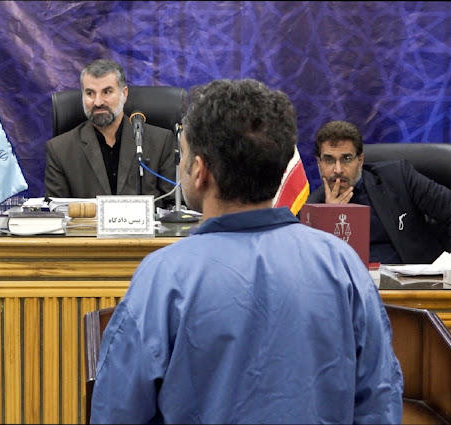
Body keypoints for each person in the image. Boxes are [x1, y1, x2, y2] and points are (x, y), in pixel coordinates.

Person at [90, 79, 403, 424]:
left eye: (184, 153)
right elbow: (379, 402)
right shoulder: (343, 264)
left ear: (200, 170)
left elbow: (118, 411)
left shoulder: (163, 276)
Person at [306, 120, 451, 264]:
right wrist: (328, 220)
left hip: (412, 292)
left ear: (360, 160)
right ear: (318, 163)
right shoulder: (311, 209)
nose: (338, 169)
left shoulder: (398, 178)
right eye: (329, 160)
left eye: (347, 159)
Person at [44, 59, 176, 206]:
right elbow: (57, 214)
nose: (98, 102)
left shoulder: (160, 142)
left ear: (124, 94)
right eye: (90, 93)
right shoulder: (60, 150)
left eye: (107, 92)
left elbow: (174, 207)